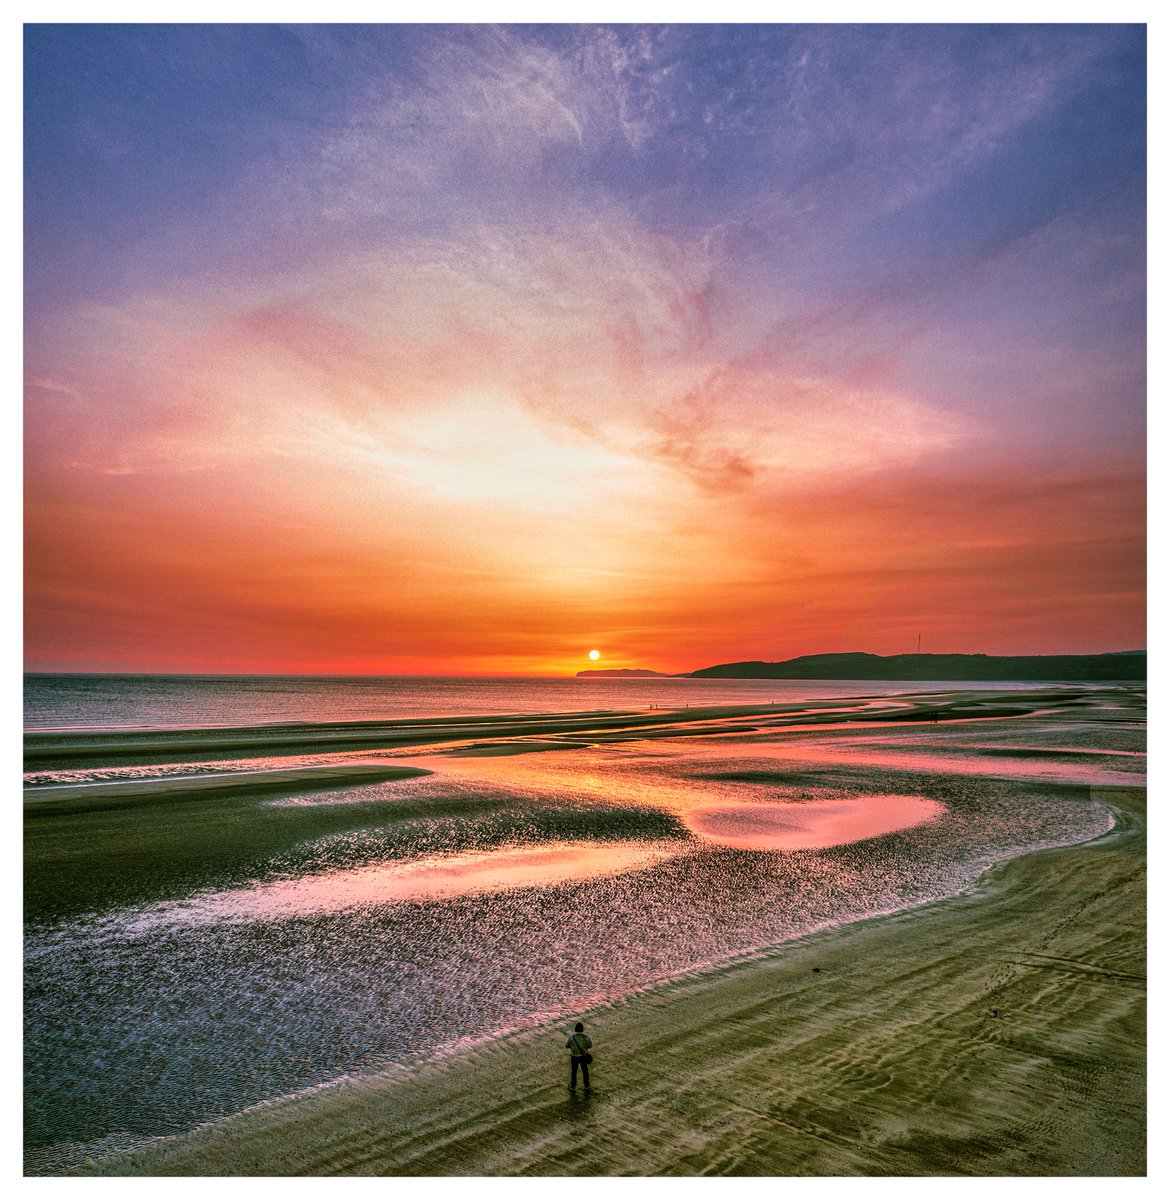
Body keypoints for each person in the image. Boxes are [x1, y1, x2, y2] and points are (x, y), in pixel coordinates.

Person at [565, 1020, 592, 1091]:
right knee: (585, 1071)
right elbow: (590, 1045)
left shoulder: (571, 1038)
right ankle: (586, 1085)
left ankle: (573, 1086)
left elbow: (567, 1046)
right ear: (582, 1029)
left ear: (575, 1029)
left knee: (574, 1072)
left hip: (574, 1056)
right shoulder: (586, 1037)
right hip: (583, 1056)